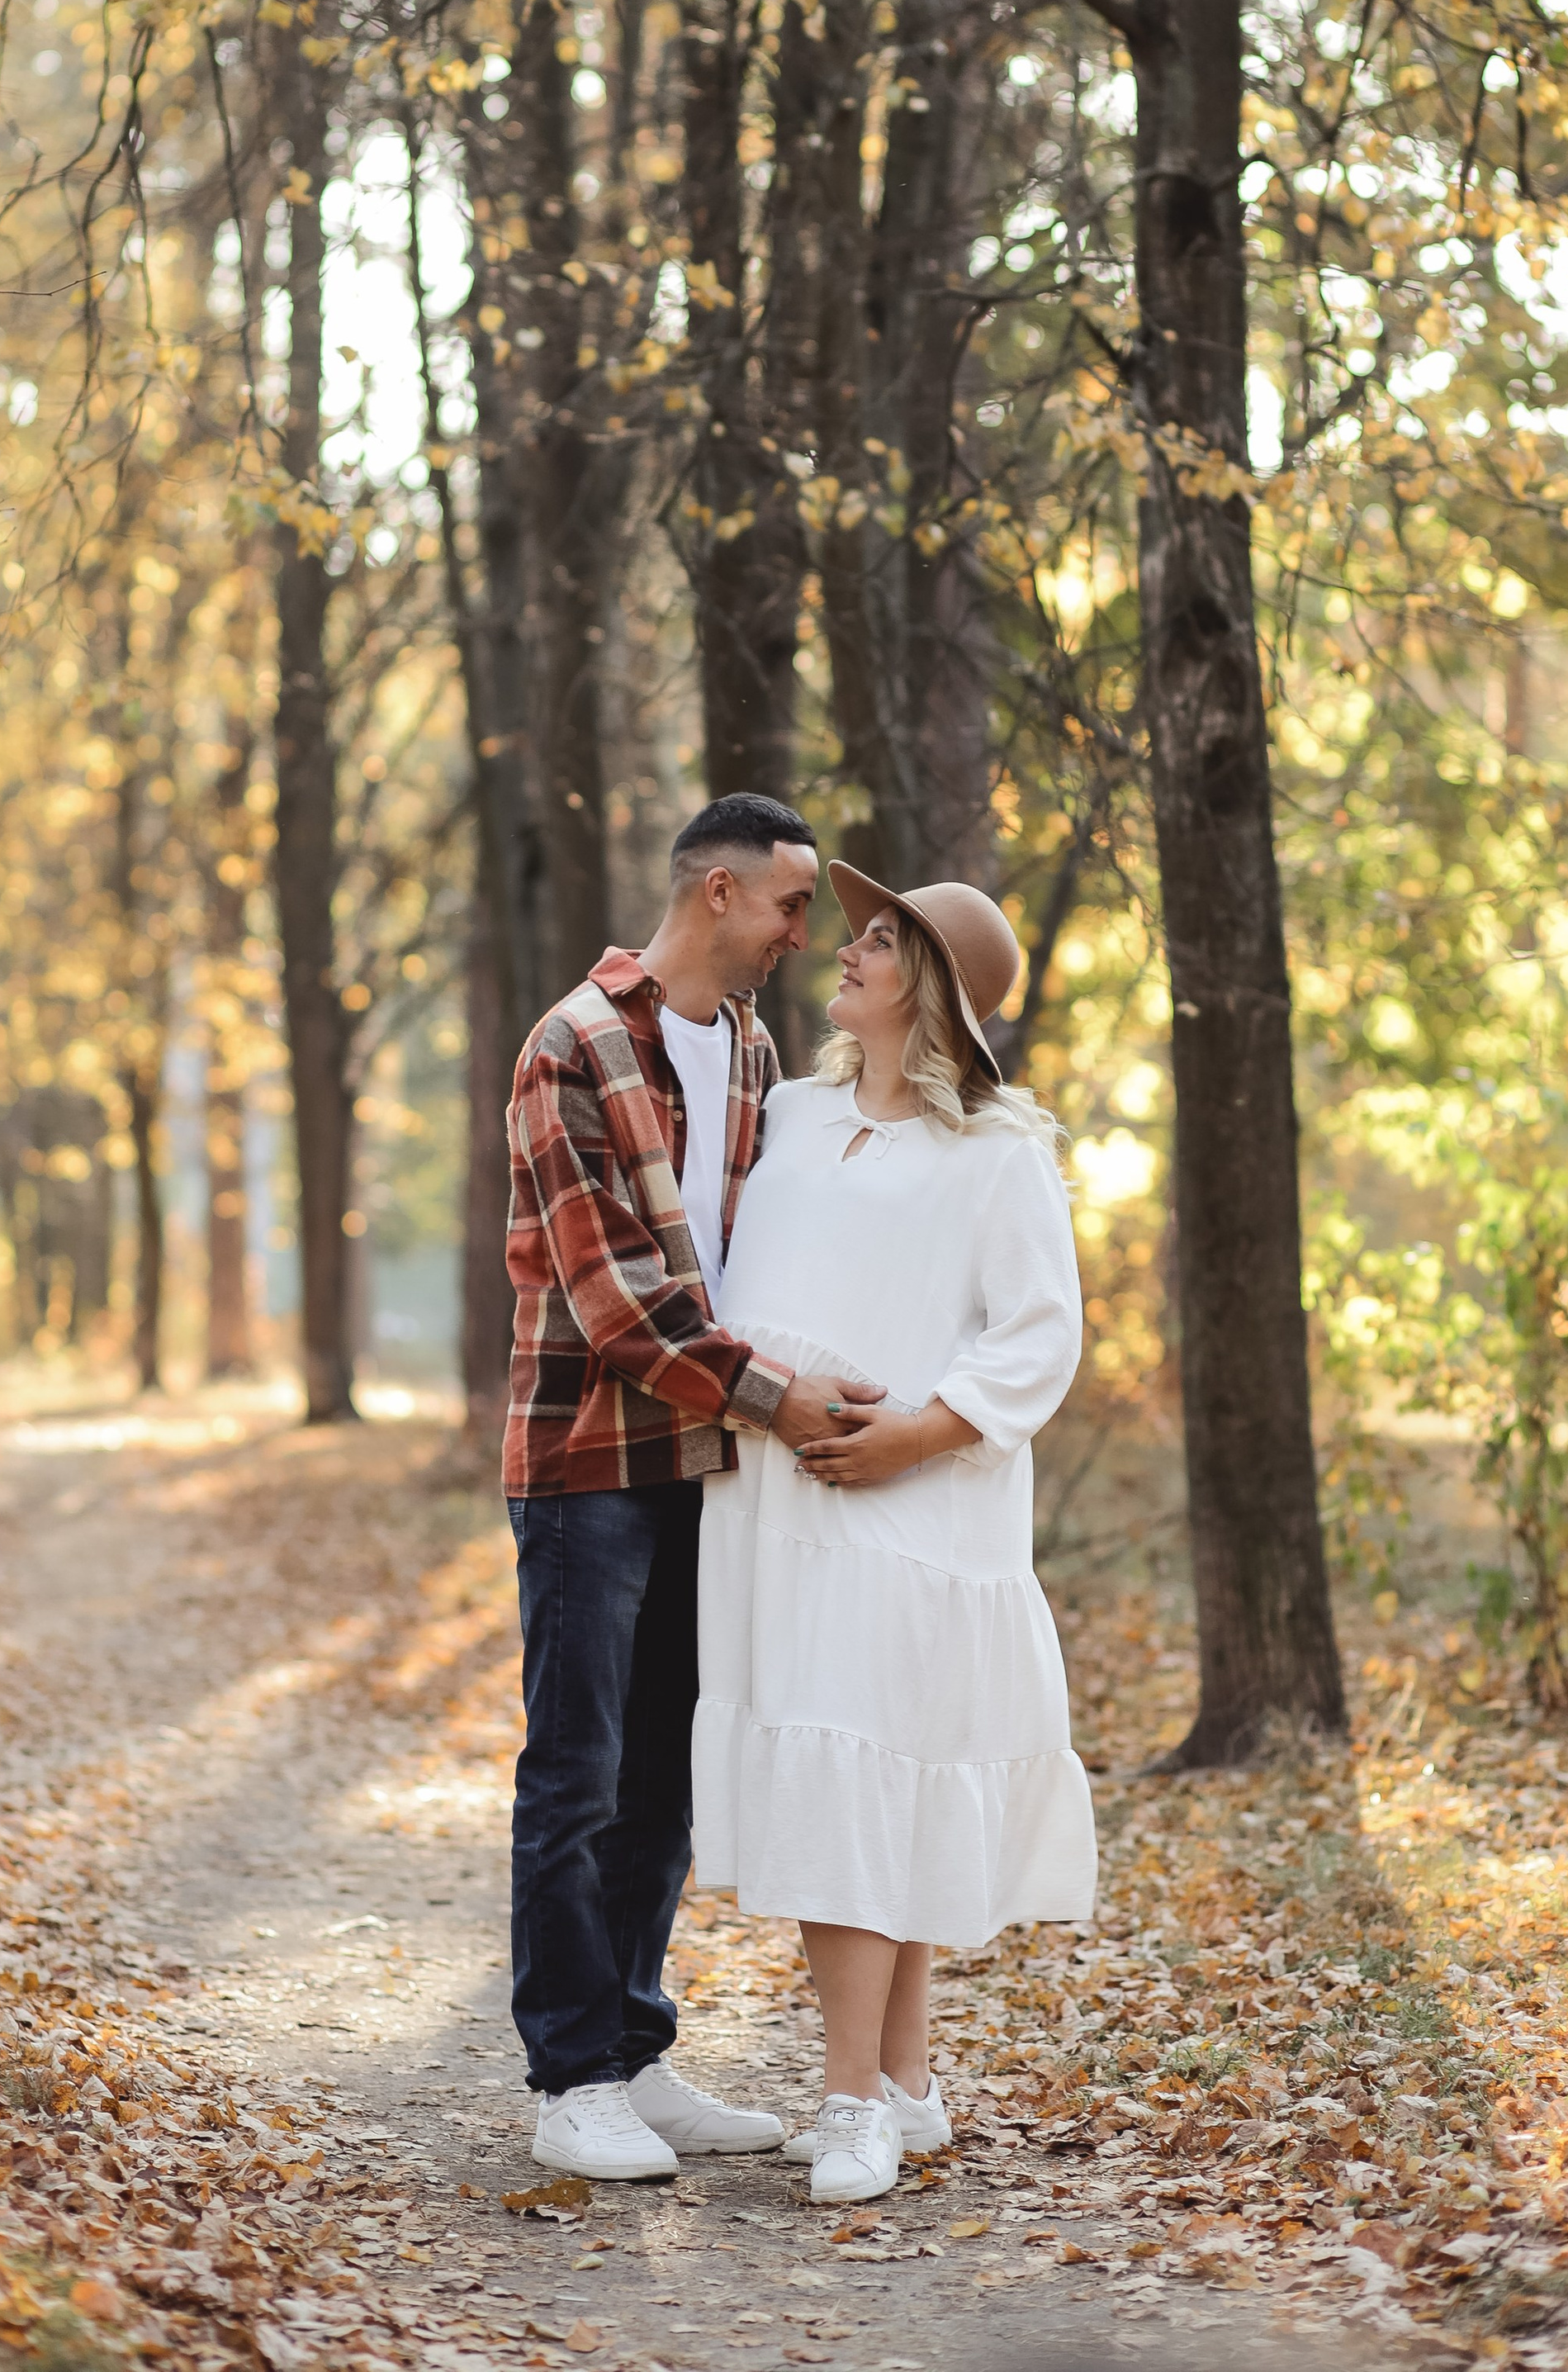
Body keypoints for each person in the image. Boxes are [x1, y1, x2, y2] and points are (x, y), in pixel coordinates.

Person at [691, 861, 1097, 2206]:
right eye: (857, 933)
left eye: (881, 942)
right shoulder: (794, 1116)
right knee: (866, 1780)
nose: (849, 953)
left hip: (912, 1506)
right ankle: (908, 2086)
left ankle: (852, 2099)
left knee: (867, 1782)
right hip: (782, 1501)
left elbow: (1040, 1338)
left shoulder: (997, 1153)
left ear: (933, 989)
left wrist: (916, 1435)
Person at [501, 793, 885, 2184]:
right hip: (591, 1465)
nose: (805, 932)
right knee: (579, 1771)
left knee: (665, 1777)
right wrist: (784, 1400)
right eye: (791, 905)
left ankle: (636, 2055)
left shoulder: (757, 1048)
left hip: (706, 1466)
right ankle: (568, 2077)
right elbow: (619, 1311)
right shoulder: (575, 1047)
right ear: (717, 892)